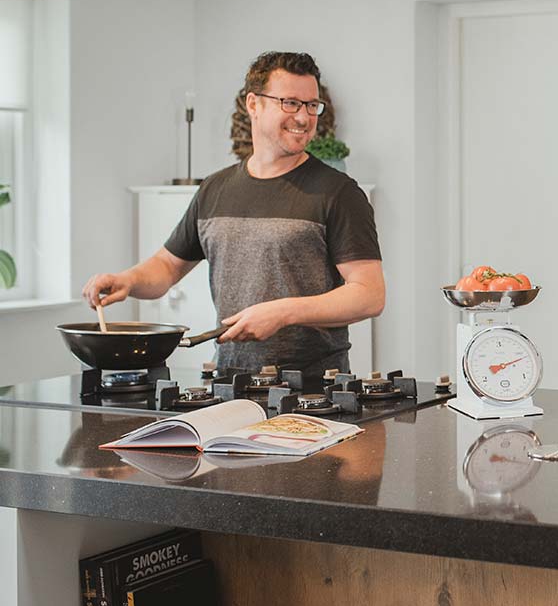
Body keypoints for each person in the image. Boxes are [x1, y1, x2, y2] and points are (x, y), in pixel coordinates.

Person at [82, 51, 384, 373]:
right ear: (254, 105)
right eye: (291, 103)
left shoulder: (338, 192)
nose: (304, 117)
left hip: (313, 392)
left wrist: (283, 312)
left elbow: (369, 294)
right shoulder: (215, 189)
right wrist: (127, 280)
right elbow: (168, 266)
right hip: (229, 382)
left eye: (312, 105)